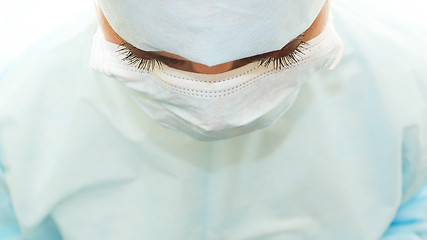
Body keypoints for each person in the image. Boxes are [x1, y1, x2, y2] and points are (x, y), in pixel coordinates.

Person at [0, 0, 426, 239]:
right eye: (155, 57)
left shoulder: (409, 83)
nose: (214, 98)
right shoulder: (18, 103)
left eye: (275, 56)